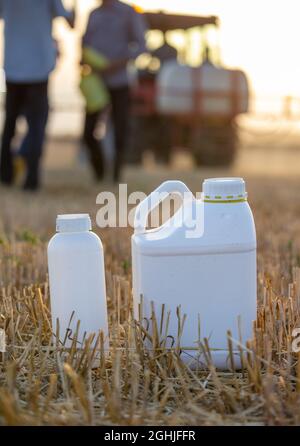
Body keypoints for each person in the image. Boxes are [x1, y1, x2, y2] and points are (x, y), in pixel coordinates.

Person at [0, 0, 75, 191]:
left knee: (10, 125)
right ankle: (31, 178)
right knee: (36, 127)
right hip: (38, 70)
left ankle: (5, 174)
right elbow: (70, 22)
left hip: (13, 67)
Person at [82, 0, 147, 183]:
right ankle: (99, 172)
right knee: (88, 133)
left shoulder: (129, 13)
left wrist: (117, 64)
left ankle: (116, 176)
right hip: (96, 84)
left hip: (120, 82)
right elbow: (85, 43)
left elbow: (142, 45)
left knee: (121, 130)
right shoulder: (93, 14)